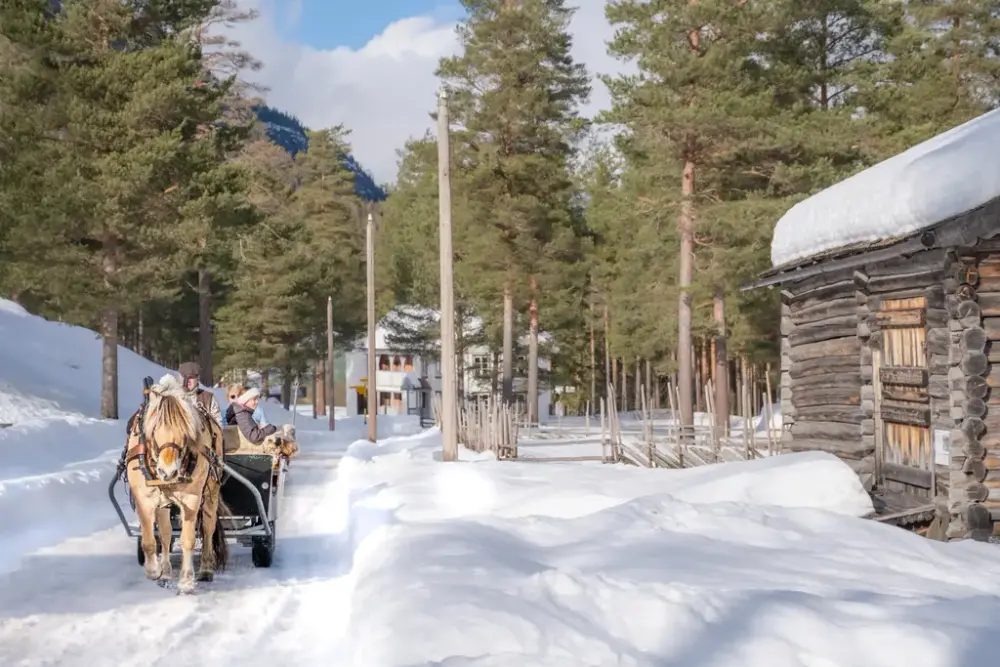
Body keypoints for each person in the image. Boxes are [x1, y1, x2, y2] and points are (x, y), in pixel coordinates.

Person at [178, 361, 222, 427]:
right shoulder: (173, 398)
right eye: (185, 377)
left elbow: (218, 424)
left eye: (191, 377)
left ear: (198, 378)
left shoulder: (207, 398)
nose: (188, 380)